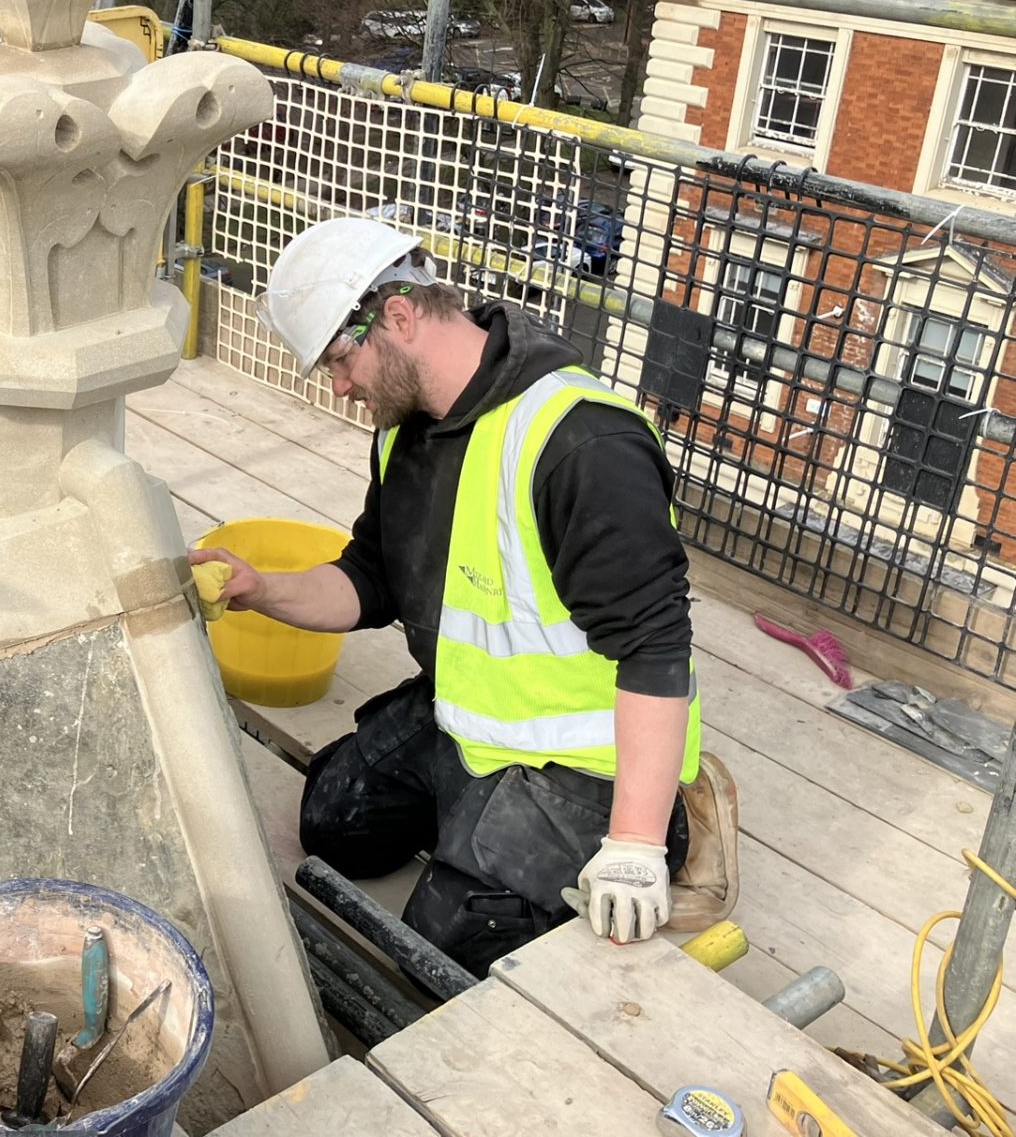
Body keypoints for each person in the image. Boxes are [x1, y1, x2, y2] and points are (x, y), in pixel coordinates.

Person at [192, 215, 715, 977]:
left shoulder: (581, 444)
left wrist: (633, 846)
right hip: (468, 715)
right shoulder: (406, 429)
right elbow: (370, 578)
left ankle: (656, 815)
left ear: (398, 317)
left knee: (436, 954)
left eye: (340, 361)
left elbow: (657, 648)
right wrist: (257, 588)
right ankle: (471, 826)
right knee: (332, 822)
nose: (339, 387)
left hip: (577, 761)